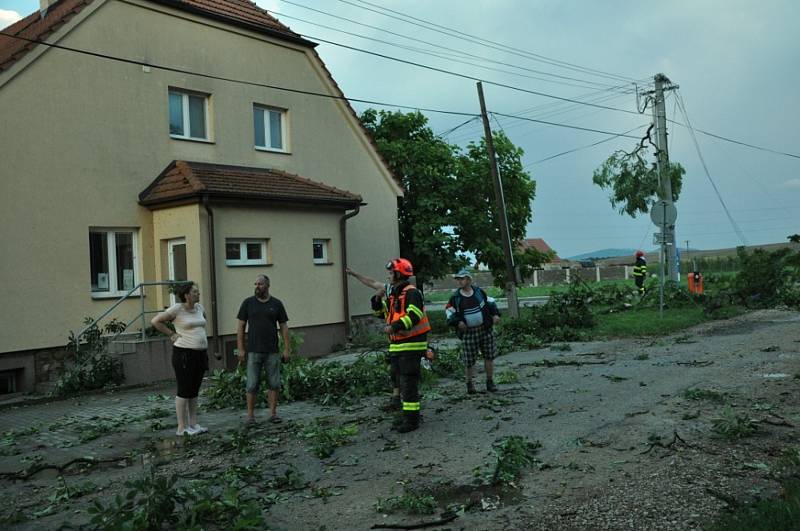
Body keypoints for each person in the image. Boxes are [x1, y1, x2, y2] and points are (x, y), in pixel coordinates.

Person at [151, 282, 209, 436]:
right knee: (184, 390)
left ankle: (193, 424)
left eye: (198, 291)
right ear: (186, 294)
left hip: (200, 354)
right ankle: (181, 428)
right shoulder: (177, 309)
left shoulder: (200, 308)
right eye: (195, 292)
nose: (198, 294)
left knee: (194, 390)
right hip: (184, 354)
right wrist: (171, 334)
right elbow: (156, 321)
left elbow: (203, 321)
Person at [382, 258, 430, 433]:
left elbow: (414, 315)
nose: (388, 276)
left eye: (391, 273)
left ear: (398, 274)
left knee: (408, 384)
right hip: (397, 346)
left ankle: (412, 420)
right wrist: (376, 303)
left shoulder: (412, 293)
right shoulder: (395, 293)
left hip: (411, 346)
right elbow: (386, 314)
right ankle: (407, 416)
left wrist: (394, 327)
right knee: (400, 382)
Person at [236, 274, 290, 425]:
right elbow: (240, 326)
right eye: (255, 284)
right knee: (252, 384)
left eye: (260, 284)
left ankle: (273, 414)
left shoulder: (277, 304)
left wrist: (286, 349)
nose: (257, 287)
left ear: (267, 285)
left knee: (274, 383)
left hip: (272, 350)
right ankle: (250, 416)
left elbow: (284, 327)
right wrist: (240, 348)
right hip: (253, 350)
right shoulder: (248, 303)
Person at [345, 266, 400, 410]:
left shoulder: (406, 292)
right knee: (395, 369)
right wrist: (354, 273)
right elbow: (371, 282)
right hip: (394, 338)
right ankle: (397, 398)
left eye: (390, 274)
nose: (387, 277)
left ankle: (402, 399)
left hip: (406, 336)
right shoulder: (387, 289)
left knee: (402, 369)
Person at [445, 269, 501, 394]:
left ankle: (490, 382)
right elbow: (449, 312)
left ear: (469, 280)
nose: (460, 281)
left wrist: (496, 314)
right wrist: (458, 322)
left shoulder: (479, 292)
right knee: (469, 360)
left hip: (485, 329)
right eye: (458, 279)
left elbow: (491, 303)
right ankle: (470, 384)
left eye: (462, 278)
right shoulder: (456, 298)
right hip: (469, 333)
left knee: (489, 356)